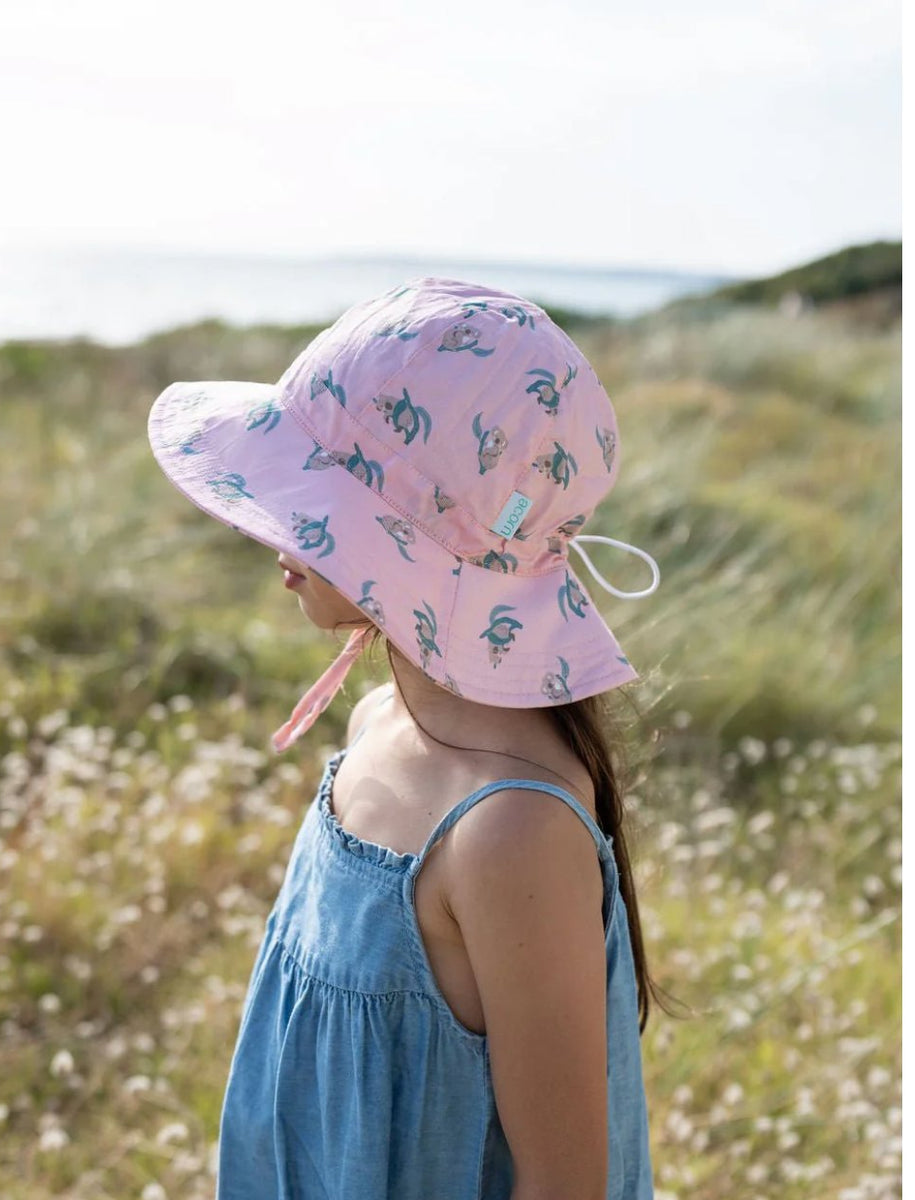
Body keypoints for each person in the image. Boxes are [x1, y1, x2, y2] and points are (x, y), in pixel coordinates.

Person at [147, 276, 665, 1199]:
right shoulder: (380, 722)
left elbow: (567, 1182)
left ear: (417, 547)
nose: (280, 532)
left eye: (320, 505)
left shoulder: (510, 830)